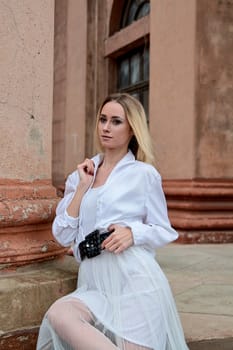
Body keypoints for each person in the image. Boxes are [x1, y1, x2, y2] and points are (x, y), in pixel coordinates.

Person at [36, 93, 189, 350]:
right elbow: (61, 235)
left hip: (136, 283)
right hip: (95, 286)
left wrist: (133, 233)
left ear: (132, 129)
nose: (106, 127)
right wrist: (83, 188)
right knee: (60, 315)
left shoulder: (144, 175)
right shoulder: (81, 175)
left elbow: (164, 230)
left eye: (116, 121)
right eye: (103, 119)